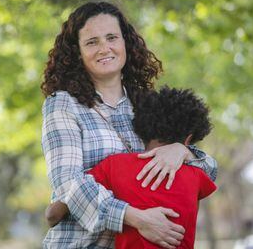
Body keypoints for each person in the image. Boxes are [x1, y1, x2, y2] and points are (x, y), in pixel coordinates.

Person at [41, 1, 217, 248]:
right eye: (92, 42)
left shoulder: (147, 103)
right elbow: (69, 185)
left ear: (126, 43)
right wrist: (136, 218)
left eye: (112, 37)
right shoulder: (62, 105)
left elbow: (207, 171)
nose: (104, 48)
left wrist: (182, 151)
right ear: (77, 53)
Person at [45, 87, 217, 249]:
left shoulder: (115, 166)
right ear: (189, 140)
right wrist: (185, 151)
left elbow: (58, 209)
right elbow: (211, 172)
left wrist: (52, 212)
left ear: (142, 128)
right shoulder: (197, 174)